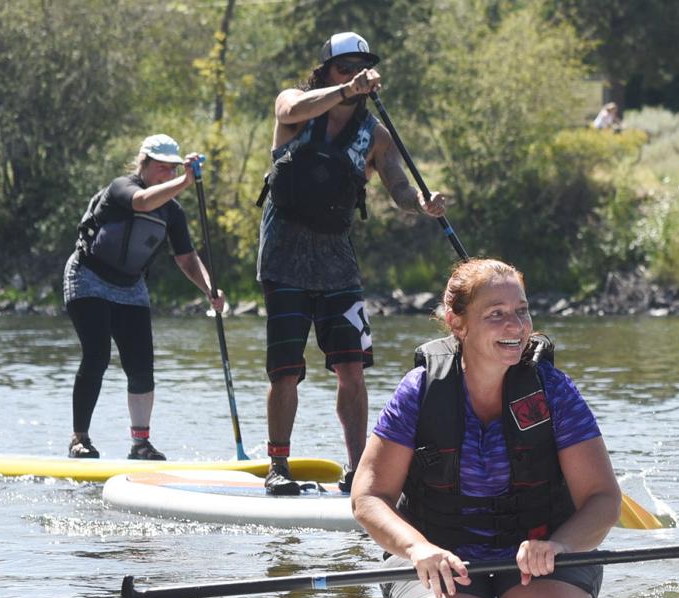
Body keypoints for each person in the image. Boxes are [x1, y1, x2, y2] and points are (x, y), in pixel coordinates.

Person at [351, 259, 624, 598]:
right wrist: (417, 548)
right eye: (496, 314)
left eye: (521, 311)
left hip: (540, 560)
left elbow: (603, 499)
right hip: (441, 559)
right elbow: (368, 497)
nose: (515, 326)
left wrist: (559, 545)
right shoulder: (419, 391)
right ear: (456, 323)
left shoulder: (553, 390)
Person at [256, 31, 446, 495]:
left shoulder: (375, 134)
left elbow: (398, 187)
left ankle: (358, 467)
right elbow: (288, 111)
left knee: (351, 368)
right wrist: (345, 90)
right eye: (345, 69)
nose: (355, 76)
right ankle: (278, 464)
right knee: (286, 368)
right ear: (325, 71)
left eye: (361, 69)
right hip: (284, 256)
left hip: (337, 261)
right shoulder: (295, 105)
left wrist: (421, 202)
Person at [63, 134, 226, 460]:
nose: (168, 174)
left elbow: (186, 258)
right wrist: (185, 181)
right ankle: (79, 438)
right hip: (88, 277)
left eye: (173, 169)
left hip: (130, 286)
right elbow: (142, 203)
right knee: (97, 355)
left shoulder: (173, 213)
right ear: (144, 164)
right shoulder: (120, 188)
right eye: (162, 168)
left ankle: (140, 444)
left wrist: (210, 288)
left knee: (141, 367)